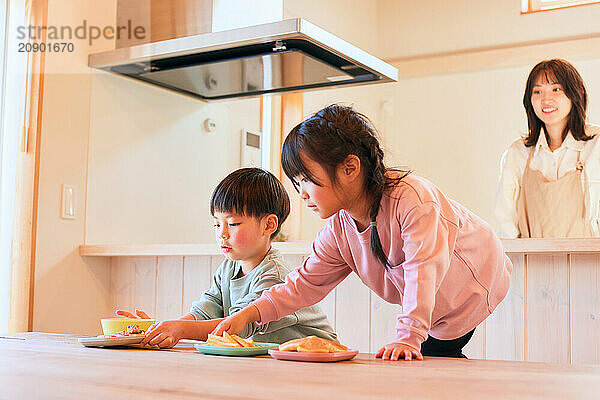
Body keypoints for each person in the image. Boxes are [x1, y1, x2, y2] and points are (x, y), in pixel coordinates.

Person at [212, 104, 512, 361]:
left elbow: (423, 271)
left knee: (434, 358)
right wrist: (248, 314)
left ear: (350, 168)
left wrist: (408, 337)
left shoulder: (412, 200)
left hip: (475, 277)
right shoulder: (339, 228)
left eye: (307, 179)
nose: (301, 194)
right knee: (428, 361)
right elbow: (302, 285)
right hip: (436, 301)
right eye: (296, 183)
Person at [118, 167, 337, 348]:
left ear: (269, 225)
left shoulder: (275, 273)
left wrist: (179, 329)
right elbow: (204, 311)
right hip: (274, 362)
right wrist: (164, 329)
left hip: (316, 360)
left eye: (232, 224)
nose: (222, 233)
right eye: (216, 224)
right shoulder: (228, 268)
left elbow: (238, 324)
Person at [495, 59, 600, 238]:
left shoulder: (596, 144)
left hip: (591, 262)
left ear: (577, 93)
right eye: (538, 91)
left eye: (556, 89)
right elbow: (507, 227)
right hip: (533, 264)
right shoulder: (517, 153)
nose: (546, 99)